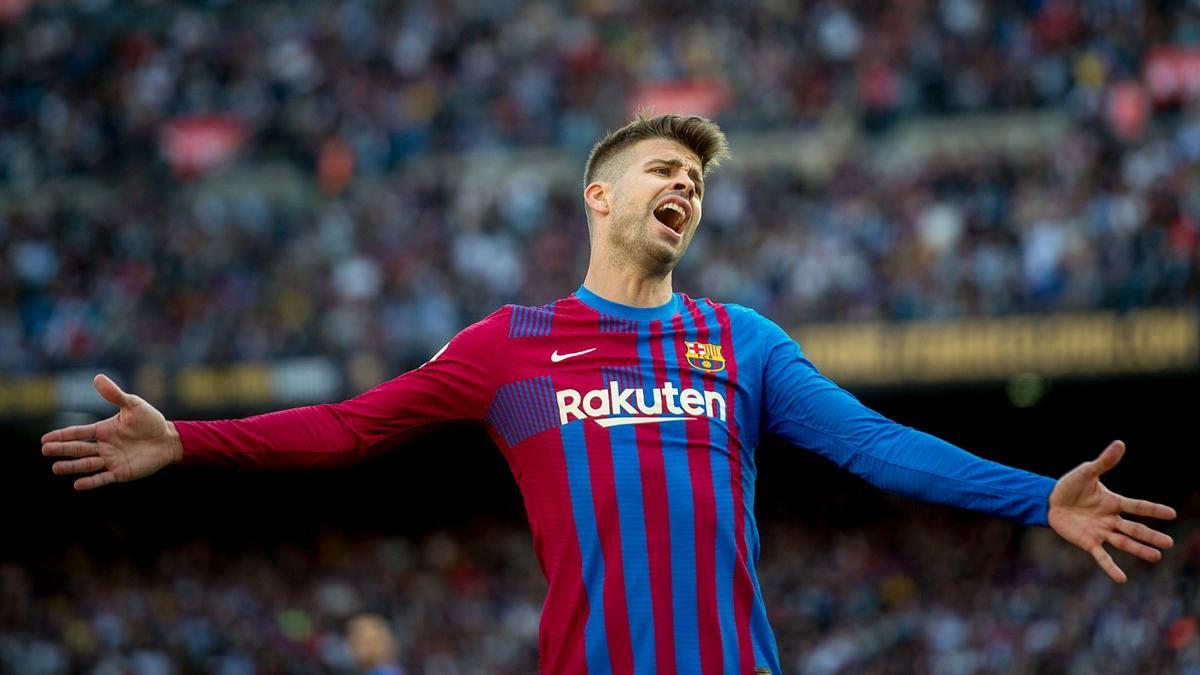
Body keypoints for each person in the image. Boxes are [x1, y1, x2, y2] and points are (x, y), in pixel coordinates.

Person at [42, 113, 1176, 675]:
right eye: (660, 169)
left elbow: (874, 446)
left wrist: (1041, 499)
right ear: (598, 195)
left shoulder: (741, 341)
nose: (683, 183)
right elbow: (349, 428)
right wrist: (187, 441)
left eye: (695, 178)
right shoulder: (511, 347)